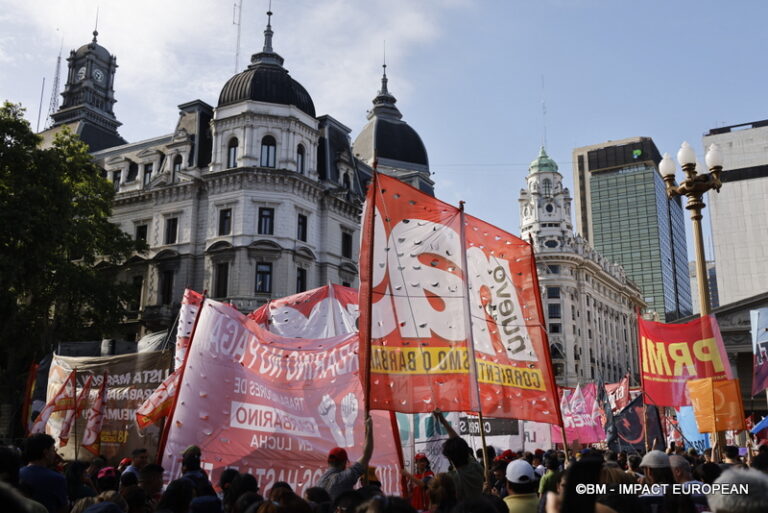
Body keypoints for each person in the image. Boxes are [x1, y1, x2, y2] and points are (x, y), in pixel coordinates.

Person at [317, 415, 373, 500]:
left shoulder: (320, 481)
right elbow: (367, 454)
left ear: (328, 462)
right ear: (344, 462)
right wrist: (369, 429)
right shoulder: (346, 477)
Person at [433, 410, 484, 501]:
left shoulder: (451, 478)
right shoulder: (475, 467)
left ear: (449, 458)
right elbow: (458, 442)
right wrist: (443, 421)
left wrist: (443, 421)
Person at [19, 433, 68, 513]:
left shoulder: (17, 473)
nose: (55, 454)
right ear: (46, 453)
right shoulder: (57, 479)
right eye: (53, 450)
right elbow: (63, 509)